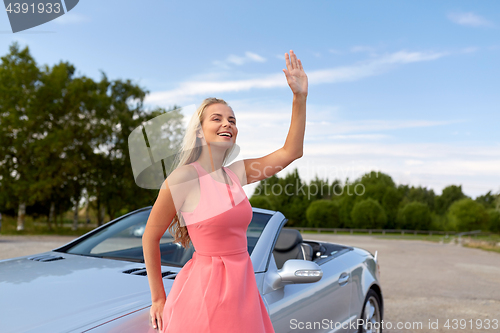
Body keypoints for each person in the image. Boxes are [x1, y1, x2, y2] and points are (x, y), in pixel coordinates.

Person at [142, 50, 308, 332]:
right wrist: (158, 298)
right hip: (203, 293)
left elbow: (291, 152)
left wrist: (299, 97)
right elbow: (150, 236)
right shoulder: (184, 177)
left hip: (242, 292)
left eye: (232, 120)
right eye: (217, 119)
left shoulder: (237, 173)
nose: (227, 124)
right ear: (199, 131)